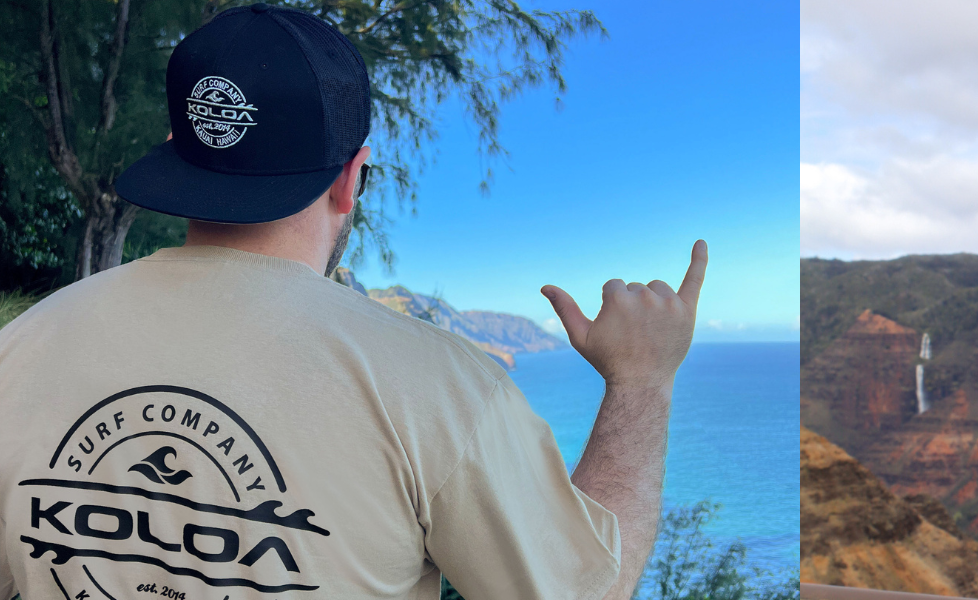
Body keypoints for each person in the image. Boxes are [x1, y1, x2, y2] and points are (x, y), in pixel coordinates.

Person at [0, 5, 704, 600]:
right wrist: (642, 381)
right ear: (352, 178)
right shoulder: (436, 387)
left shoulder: (22, 345)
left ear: (176, 153)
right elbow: (586, 589)